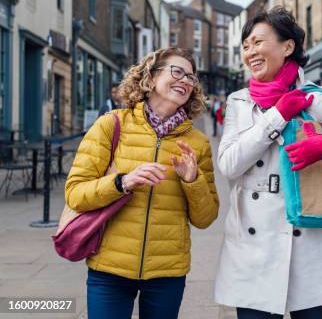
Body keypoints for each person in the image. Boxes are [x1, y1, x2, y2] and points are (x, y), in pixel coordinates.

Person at [214, 7, 322, 318]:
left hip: (307, 244)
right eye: (246, 46)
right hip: (253, 252)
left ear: (287, 46)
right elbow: (228, 164)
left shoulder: (313, 99)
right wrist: (277, 116)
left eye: (258, 42)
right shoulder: (238, 102)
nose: (251, 52)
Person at [65, 47, 219, 319]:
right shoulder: (111, 125)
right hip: (109, 268)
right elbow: (75, 194)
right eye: (177, 71)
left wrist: (192, 180)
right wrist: (122, 182)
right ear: (150, 77)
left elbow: (205, 218)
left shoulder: (198, 143)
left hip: (167, 271)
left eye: (191, 78)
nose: (185, 81)